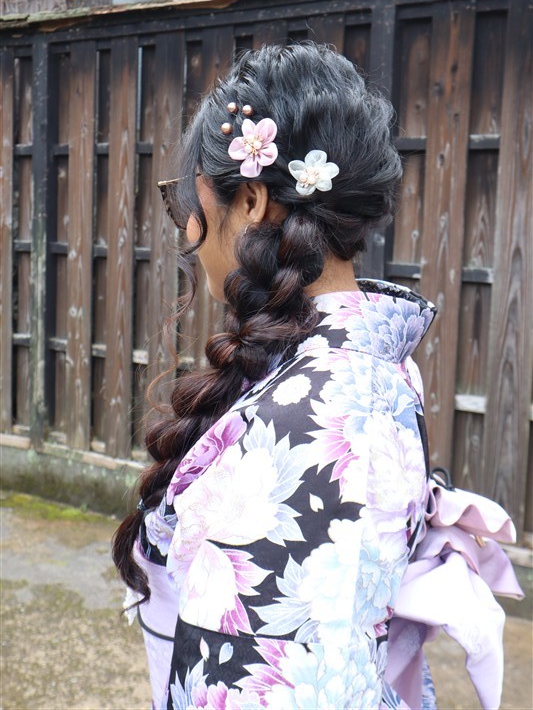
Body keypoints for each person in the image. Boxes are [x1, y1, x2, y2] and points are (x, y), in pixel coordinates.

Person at [112, 42, 440, 709]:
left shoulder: (309, 421)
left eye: (187, 204)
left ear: (252, 198)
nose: (189, 229)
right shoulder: (353, 371)